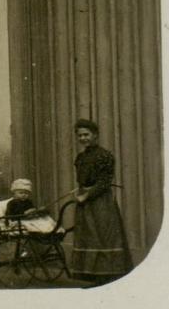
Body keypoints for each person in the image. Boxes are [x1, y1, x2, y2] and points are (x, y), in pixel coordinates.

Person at [70, 118, 132, 282]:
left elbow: (104, 182)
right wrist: (80, 191)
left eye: (86, 134)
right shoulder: (80, 157)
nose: (83, 138)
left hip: (100, 203)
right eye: (80, 135)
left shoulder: (105, 155)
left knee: (102, 236)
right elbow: (82, 180)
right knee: (88, 236)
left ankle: (107, 275)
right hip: (85, 203)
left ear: (95, 135)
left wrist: (87, 195)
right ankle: (90, 273)